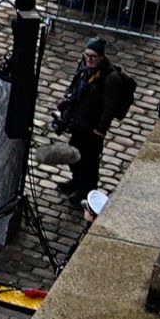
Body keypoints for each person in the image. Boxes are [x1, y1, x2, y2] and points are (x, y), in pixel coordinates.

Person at [53, 43, 134, 204]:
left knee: (89, 161)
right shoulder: (84, 67)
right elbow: (75, 88)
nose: (89, 59)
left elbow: (108, 109)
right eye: (87, 55)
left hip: (93, 127)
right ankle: (76, 182)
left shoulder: (110, 79)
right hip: (79, 121)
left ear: (101, 57)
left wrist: (99, 131)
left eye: (93, 56)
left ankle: (86, 190)